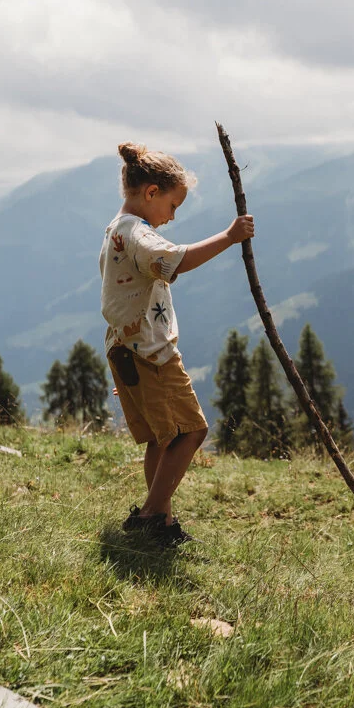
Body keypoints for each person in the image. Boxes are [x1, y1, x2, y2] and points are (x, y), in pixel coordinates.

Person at [100, 142, 254, 546]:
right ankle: (151, 515)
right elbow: (176, 260)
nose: (172, 216)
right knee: (192, 431)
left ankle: (162, 522)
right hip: (151, 351)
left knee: (159, 436)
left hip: (126, 346)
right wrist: (229, 236)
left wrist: (125, 365)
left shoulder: (115, 232)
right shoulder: (137, 234)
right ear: (151, 192)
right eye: (173, 205)